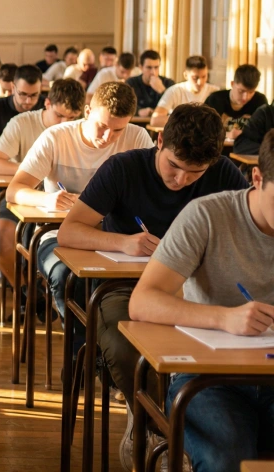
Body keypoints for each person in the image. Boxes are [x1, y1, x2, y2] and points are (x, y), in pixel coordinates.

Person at [55, 103, 248, 469]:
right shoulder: (124, 167)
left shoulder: (223, 172)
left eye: (195, 173)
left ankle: (184, 428)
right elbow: (69, 231)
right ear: (159, 141)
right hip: (124, 285)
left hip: (198, 289)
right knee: (125, 343)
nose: (181, 180)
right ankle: (153, 424)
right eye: (174, 166)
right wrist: (122, 242)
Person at [127, 129, 274, 472]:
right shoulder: (207, 215)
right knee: (228, 461)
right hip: (208, 377)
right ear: (256, 178)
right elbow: (142, 302)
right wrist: (223, 318)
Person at [6, 82, 154, 329]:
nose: (108, 138)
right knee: (66, 276)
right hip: (59, 233)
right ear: (87, 112)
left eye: (118, 130)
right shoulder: (56, 137)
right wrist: (47, 199)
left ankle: (104, 348)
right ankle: (80, 354)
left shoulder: (137, 137)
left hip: (115, 235)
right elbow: (14, 190)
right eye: (102, 126)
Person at [0, 78, 85, 288]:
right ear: (47, 104)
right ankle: (25, 292)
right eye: (59, 115)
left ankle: (51, 291)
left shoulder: (85, 133)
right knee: (0, 234)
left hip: (68, 201)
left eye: (72, 117)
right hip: (26, 192)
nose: (64, 123)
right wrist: (33, 169)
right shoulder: (22, 122)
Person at [204, 63, 267, 140]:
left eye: (251, 92)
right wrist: (227, 134)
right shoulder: (215, 99)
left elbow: (265, 131)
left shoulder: (260, 101)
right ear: (232, 84)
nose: (245, 97)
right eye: (241, 91)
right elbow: (204, 130)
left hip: (248, 150)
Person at [152, 55, 219, 126]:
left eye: (204, 76)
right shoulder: (174, 91)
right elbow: (155, 120)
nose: (200, 82)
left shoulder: (214, 91)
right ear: (186, 75)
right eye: (195, 78)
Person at [126, 50, 174, 117]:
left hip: (161, 124)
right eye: (149, 67)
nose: (153, 72)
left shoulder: (168, 83)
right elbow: (124, 105)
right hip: (138, 123)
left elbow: (175, 107)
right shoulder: (131, 83)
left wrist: (163, 91)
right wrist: (138, 111)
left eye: (156, 67)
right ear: (141, 67)